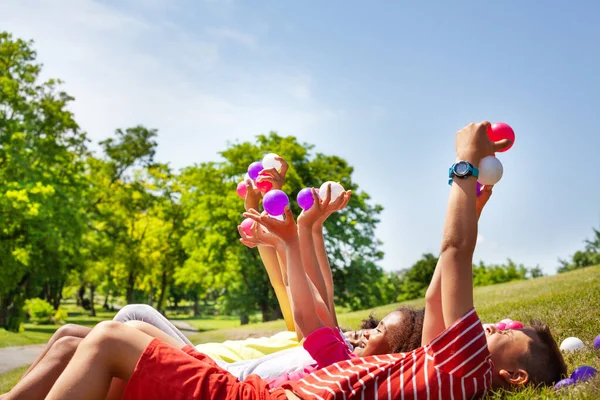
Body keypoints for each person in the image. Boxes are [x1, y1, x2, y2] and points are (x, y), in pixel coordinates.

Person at [41, 121, 566, 400]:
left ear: (509, 376)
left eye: (500, 335)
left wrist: (465, 165)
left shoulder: (466, 369)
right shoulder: (436, 369)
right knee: (94, 344)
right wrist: (471, 204)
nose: (491, 326)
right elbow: (437, 290)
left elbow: (456, 253)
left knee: (112, 336)